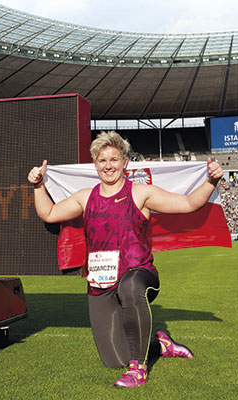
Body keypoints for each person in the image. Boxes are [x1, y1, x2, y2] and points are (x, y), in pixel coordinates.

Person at [27, 131, 223, 388]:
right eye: (102, 160)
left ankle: (139, 370)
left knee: (129, 287)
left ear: (125, 162)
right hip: (101, 281)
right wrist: (38, 185)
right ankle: (159, 344)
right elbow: (50, 213)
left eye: (114, 159)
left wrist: (210, 180)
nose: (108, 165)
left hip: (139, 274)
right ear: (95, 164)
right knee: (114, 359)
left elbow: (187, 203)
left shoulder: (141, 193)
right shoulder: (86, 197)